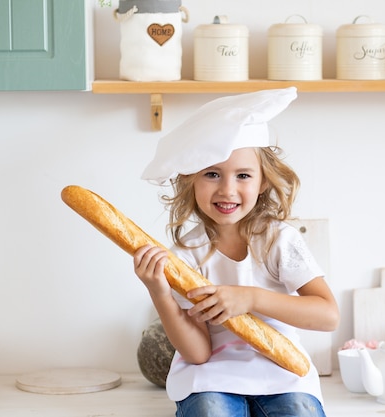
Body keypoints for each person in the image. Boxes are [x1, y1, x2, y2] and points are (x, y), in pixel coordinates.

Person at [133, 87, 340, 417]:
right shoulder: (186, 256)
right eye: (212, 174)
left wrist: (252, 298)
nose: (227, 189)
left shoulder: (279, 241)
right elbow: (198, 353)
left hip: (283, 376)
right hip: (211, 379)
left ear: (262, 183)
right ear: (190, 180)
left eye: (243, 175)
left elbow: (328, 315)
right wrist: (159, 292)